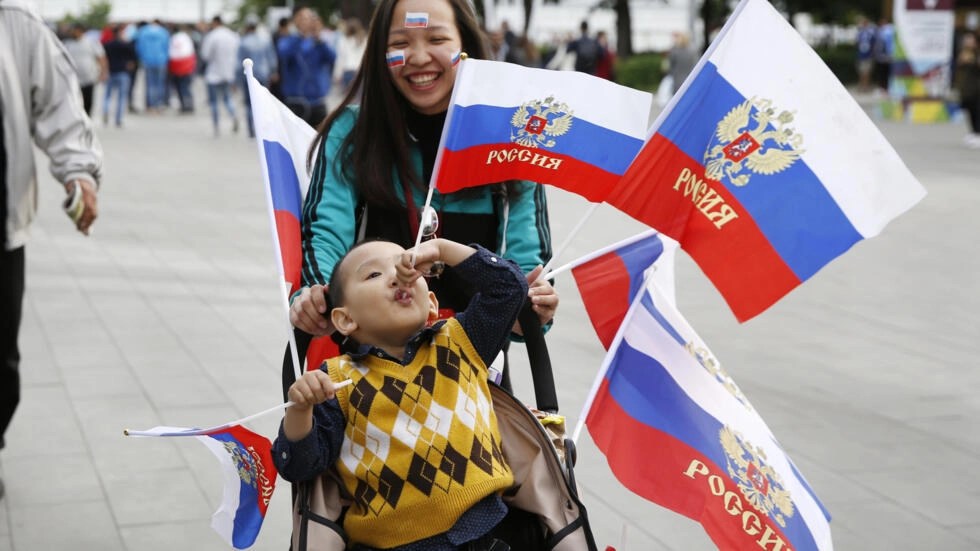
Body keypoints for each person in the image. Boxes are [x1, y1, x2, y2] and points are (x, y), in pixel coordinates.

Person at [288, 0, 556, 352]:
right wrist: (317, 296)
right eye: (400, 43)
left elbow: (527, 267)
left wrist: (531, 306)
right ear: (379, 52)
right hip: (367, 367)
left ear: (466, 45)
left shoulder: (512, 140)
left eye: (437, 39)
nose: (418, 57)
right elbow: (325, 233)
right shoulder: (352, 132)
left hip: (474, 372)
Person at [274, 237, 524, 550]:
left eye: (406, 265)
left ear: (431, 302)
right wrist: (300, 409)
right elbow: (300, 465)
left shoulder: (462, 342)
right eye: (373, 274)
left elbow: (510, 288)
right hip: (392, 543)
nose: (397, 276)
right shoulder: (337, 381)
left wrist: (442, 250)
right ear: (345, 319)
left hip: (484, 531)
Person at [1, 0, 103, 501]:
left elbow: (60, 105)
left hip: (2, 232)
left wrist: (79, 172)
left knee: (2, 361)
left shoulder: (14, 21)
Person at [277, 6, 337, 126]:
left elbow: (332, 58)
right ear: (296, 20)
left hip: (317, 101)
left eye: (310, 18)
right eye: (303, 18)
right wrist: (301, 36)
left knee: (321, 136)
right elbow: (283, 53)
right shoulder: (288, 40)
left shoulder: (318, 42)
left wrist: (318, 39)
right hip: (295, 101)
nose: (307, 21)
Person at [200, 15, 241, 136]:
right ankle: (233, 115)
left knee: (214, 102)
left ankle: (216, 126)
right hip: (228, 73)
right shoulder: (233, 36)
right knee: (227, 98)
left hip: (213, 73)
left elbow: (205, 55)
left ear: (215, 23)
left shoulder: (212, 36)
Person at [239, 16, 279, 137]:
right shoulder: (265, 40)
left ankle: (252, 129)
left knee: (249, 103)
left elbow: (239, 63)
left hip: (249, 76)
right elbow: (271, 58)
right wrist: (273, 72)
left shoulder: (244, 42)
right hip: (263, 74)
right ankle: (262, 128)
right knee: (262, 102)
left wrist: (236, 79)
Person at [63, 23, 107, 116]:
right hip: (73, 79)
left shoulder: (91, 42)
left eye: (75, 30)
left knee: (88, 101)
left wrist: (103, 72)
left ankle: (88, 118)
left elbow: (101, 57)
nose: (73, 32)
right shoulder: (67, 44)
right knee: (75, 102)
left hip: (88, 78)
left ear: (81, 31)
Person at [101, 24, 138, 127]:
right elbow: (134, 58)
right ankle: (118, 119)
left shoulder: (107, 45)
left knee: (107, 96)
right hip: (123, 72)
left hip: (110, 72)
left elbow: (103, 58)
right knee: (121, 97)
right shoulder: (126, 45)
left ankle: (106, 111)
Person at [955, 31, 980, 149]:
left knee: (977, 112)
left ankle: (978, 133)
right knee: (969, 111)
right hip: (966, 89)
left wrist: (973, 61)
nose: (968, 41)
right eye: (966, 39)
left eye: (970, 39)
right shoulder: (962, 53)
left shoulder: (977, 53)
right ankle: (973, 132)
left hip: (977, 89)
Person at [168, 23, 198, 114]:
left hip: (176, 66)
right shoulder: (186, 38)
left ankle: (183, 105)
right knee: (186, 87)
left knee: (179, 88)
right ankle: (189, 105)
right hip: (186, 66)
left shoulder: (173, 39)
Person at [855, 16, 876, 93]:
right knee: (861, 72)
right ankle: (862, 86)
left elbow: (873, 44)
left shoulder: (870, 33)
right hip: (861, 55)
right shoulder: (860, 33)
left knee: (867, 72)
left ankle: (866, 86)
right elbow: (857, 43)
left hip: (868, 55)